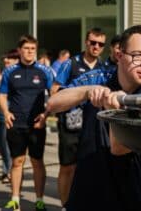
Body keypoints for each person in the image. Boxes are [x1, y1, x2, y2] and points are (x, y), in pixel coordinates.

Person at [46, 25, 141, 210]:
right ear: (120, 55)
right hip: (86, 189)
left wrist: (115, 110)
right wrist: (88, 91)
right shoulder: (100, 76)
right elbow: (53, 103)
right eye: (138, 56)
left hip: (127, 194)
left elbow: (119, 149)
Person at [50, 28, 107, 208]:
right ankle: (66, 204)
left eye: (100, 44)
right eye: (93, 42)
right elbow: (54, 90)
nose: (96, 46)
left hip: (94, 124)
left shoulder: (103, 67)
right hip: (71, 122)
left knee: (90, 167)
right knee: (68, 166)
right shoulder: (71, 63)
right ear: (86, 42)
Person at [0, 35, 54, 211]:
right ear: (20, 50)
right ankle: (15, 199)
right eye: (26, 48)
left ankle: (39, 200)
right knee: (17, 162)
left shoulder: (44, 71)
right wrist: (6, 112)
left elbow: (54, 95)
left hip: (37, 124)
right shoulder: (10, 71)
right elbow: (2, 95)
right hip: (16, 123)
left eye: (32, 48)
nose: (30, 51)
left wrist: (46, 115)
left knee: (37, 162)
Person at [0, 49, 20, 184]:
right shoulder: (2, 72)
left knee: (8, 144)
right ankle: (8, 170)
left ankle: (8, 172)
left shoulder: (19, 73)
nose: (6, 61)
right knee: (1, 142)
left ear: (17, 60)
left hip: (11, 113)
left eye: (10, 58)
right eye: (5, 59)